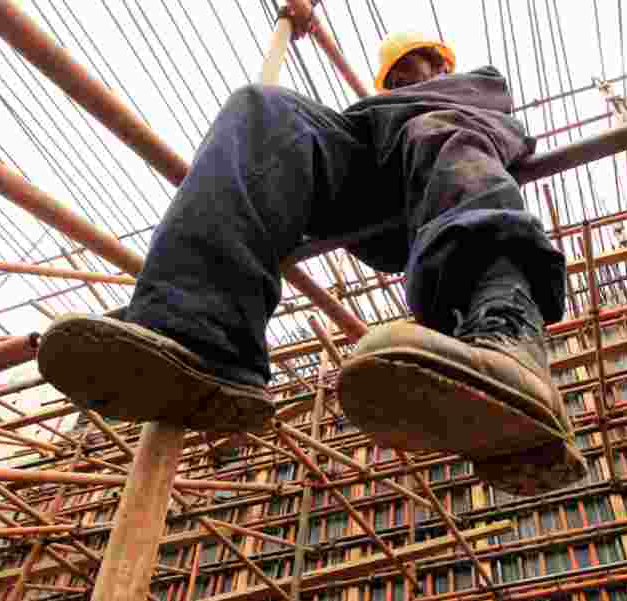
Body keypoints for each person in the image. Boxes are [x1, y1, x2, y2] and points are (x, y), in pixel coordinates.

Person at [37, 32, 585, 494]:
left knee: (435, 129)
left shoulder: (474, 89)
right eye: (394, 81)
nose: (403, 82)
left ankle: (508, 336)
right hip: (379, 184)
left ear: (443, 63)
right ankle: (200, 332)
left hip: (445, 171)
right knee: (264, 109)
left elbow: (441, 123)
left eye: (414, 69)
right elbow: (346, 138)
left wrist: (397, 110)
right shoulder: (376, 118)